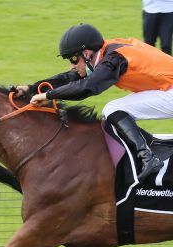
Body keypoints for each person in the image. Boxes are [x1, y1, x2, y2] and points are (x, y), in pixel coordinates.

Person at [15, 23, 173, 182]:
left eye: (74, 59)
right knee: (115, 110)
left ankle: (148, 158)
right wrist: (31, 88)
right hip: (167, 89)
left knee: (113, 109)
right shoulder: (107, 51)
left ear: (86, 53)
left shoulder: (114, 59)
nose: (72, 65)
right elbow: (72, 77)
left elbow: (88, 87)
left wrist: (49, 96)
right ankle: (148, 151)